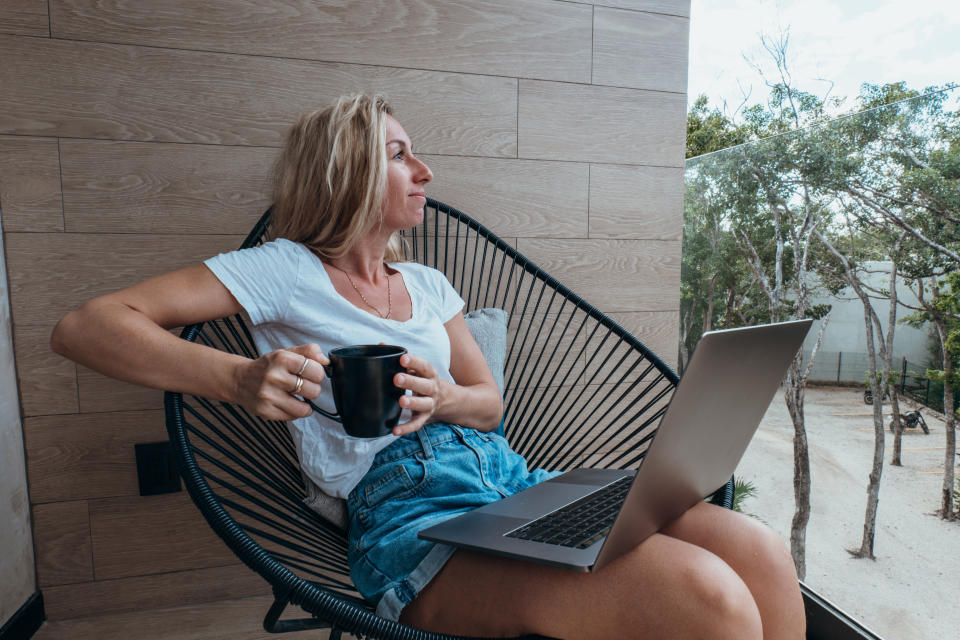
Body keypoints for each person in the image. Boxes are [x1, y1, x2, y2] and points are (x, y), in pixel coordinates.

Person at [50, 94, 805, 639]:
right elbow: (87, 326)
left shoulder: (430, 285)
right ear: (344, 171)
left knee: (760, 553)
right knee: (711, 600)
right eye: (401, 153)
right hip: (416, 515)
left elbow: (489, 405)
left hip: (514, 482)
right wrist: (235, 378)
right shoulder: (283, 269)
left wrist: (443, 397)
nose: (427, 172)